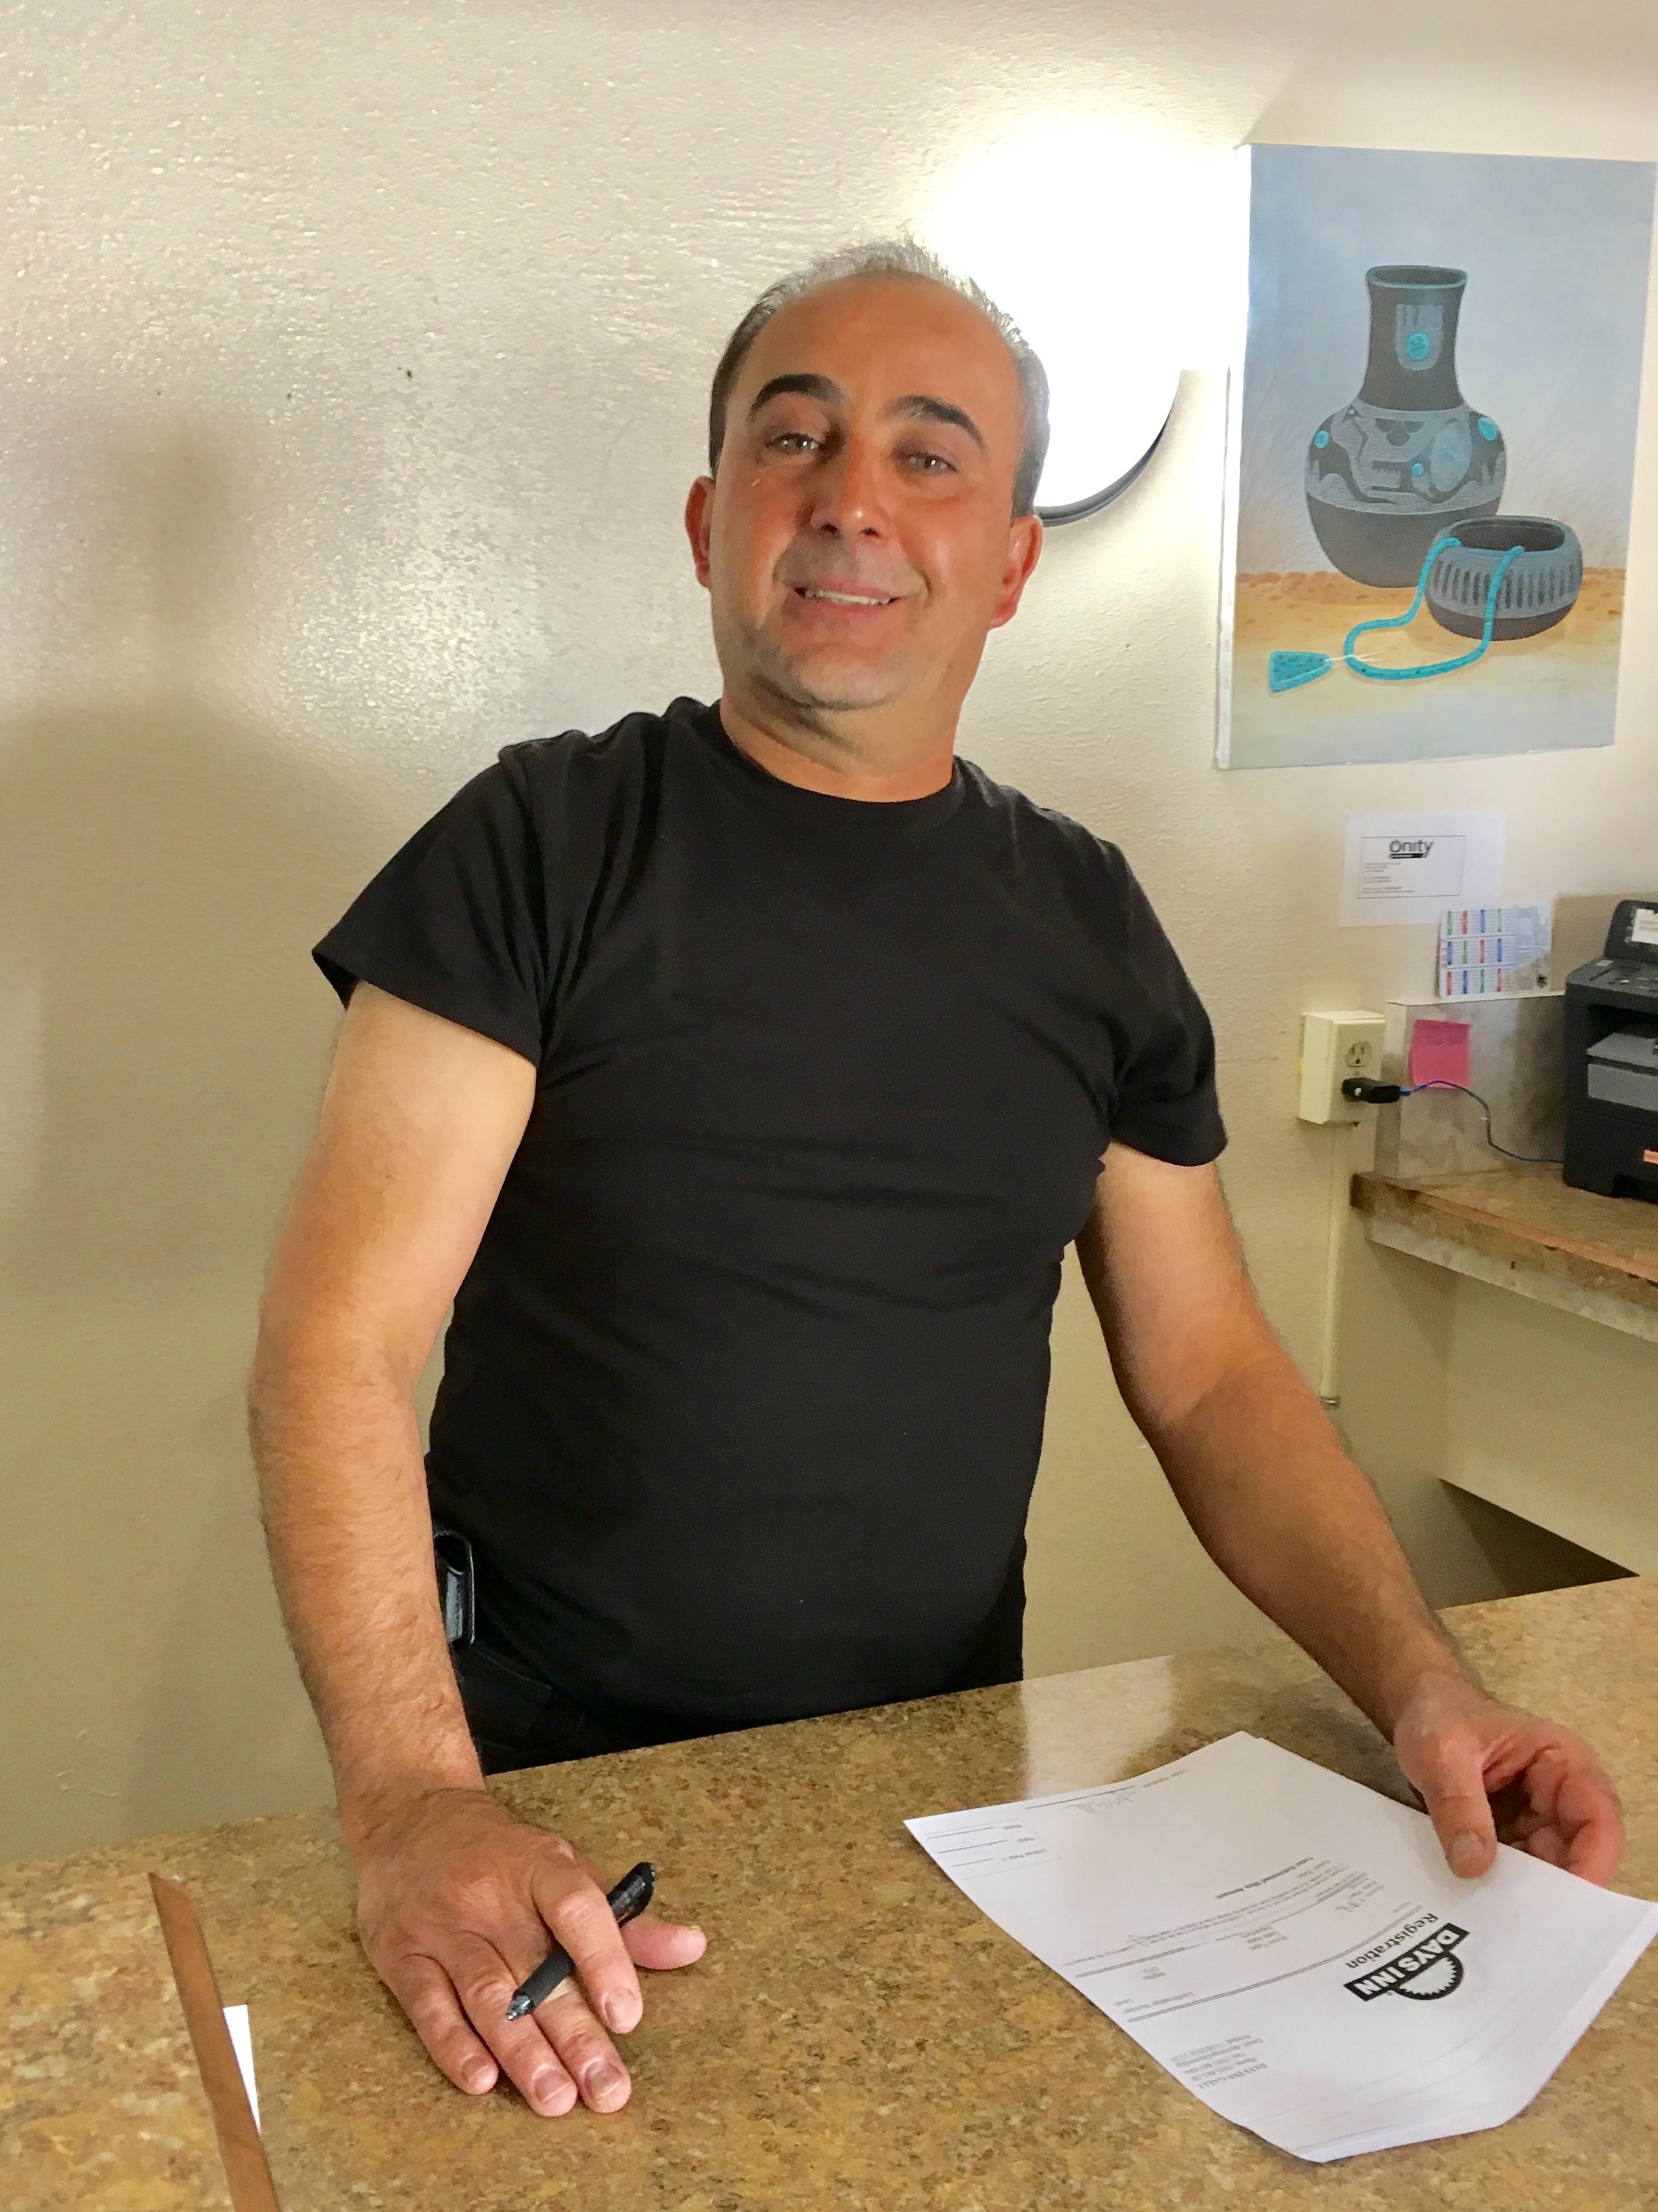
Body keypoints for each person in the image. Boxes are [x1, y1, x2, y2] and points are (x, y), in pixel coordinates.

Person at [248, 241, 1624, 2124]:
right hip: (552, 1819)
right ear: (710, 521)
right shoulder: (538, 849)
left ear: (1014, 562)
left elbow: (1215, 1378)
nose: (850, 500)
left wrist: (1426, 1689)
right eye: (793, 438)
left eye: (928, 454)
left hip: (944, 1798)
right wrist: (415, 1803)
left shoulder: (1087, 919)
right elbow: (337, 1349)